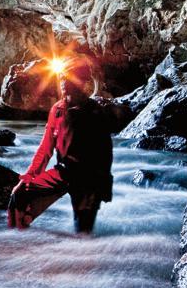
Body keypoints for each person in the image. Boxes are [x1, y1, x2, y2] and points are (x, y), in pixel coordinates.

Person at [7, 58, 113, 234]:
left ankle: (85, 257)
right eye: (62, 78)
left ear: (81, 82)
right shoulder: (57, 110)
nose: (64, 83)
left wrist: (101, 188)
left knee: (83, 232)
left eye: (70, 79)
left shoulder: (94, 112)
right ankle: (16, 243)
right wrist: (28, 177)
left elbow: (105, 154)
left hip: (88, 179)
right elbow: (45, 148)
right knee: (19, 194)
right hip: (63, 172)